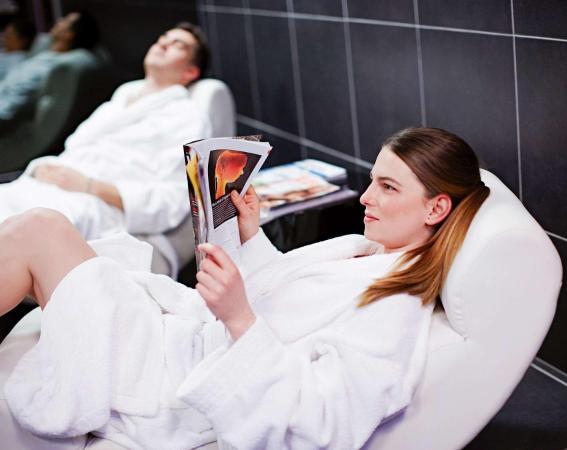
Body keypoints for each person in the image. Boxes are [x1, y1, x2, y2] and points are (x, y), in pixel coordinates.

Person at [1, 127, 490, 449]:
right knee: (48, 235)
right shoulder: (365, 251)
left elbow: (324, 423)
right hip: (177, 344)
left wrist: (238, 318)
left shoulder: (395, 306)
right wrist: (251, 237)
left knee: (41, 230)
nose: (365, 197)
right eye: (373, 180)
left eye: (388, 187)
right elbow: (287, 300)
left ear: (436, 208)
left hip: (170, 385)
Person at [0, 22, 211, 239]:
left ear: (190, 72)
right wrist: (46, 169)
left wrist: (90, 186)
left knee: (28, 226)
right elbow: (75, 147)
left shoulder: (187, 116)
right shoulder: (121, 99)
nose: (163, 44)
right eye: (162, 38)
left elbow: (171, 200)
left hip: (97, 205)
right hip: (52, 187)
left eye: (178, 45)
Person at [0, 11, 99, 132]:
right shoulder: (45, 55)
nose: (59, 21)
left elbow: (9, 108)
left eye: (65, 20)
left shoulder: (49, 67)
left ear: (69, 34)